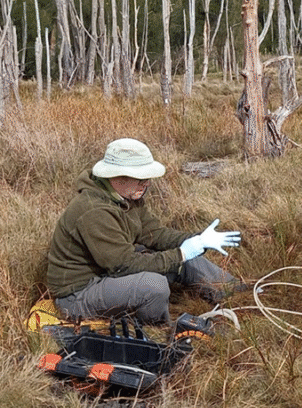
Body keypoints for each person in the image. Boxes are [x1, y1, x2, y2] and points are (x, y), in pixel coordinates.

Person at [47, 138, 245, 325]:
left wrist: (198, 240)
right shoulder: (93, 210)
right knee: (154, 286)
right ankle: (157, 332)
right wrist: (181, 253)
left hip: (107, 275)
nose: (147, 183)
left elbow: (155, 234)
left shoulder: (127, 196)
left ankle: (241, 295)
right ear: (117, 176)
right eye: (141, 178)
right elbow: (123, 265)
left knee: (188, 259)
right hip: (78, 294)